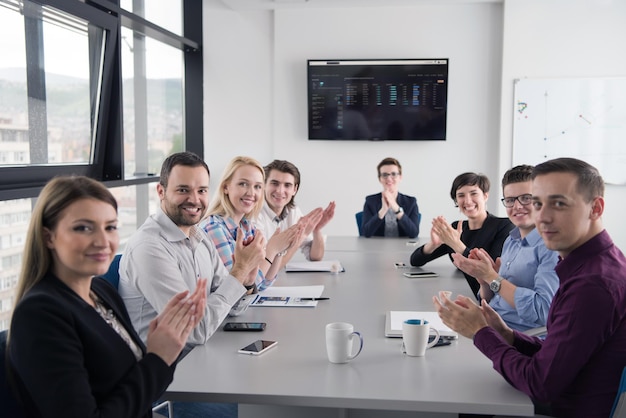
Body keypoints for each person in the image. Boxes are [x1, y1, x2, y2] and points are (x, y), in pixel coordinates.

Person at [434, 158, 626, 417]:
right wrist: (506, 335)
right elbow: (556, 352)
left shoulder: (593, 284)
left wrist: (481, 332)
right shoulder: (585, 264)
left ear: (595, 208)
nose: (542, 216)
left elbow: (541, 383)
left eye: (558, 203)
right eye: (537, 202)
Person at [8, 175, 206, 418]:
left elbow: (133, 385)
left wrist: (167, 347)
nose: (103, 241)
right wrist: (158, 358)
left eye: (110, 227)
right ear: (49, 236)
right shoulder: (40, 314)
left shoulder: (101, 292)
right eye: (83, 228)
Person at [119, 152, 265, 348]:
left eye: (202, 191)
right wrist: (239, 272)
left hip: (201, 353)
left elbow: (230, 307)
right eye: (183, 190)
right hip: (168, 368)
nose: (195, 200)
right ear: (161, 192)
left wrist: (246, 282)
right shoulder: (148, 248)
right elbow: (194, 330)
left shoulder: (198, 237)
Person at [450, 165, 559, 332]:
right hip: (490, 322)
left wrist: (492, 277)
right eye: (510, 200)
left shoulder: (551, 247)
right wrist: (485, 282)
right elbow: (496, 296)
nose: (517, 206)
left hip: (518, 337)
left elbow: (543, 312)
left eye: (526, 198)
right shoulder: (511, 240)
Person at [410, 172, 514, 296]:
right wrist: (433, 244)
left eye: (474, 193)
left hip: (489, 297)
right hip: (463, 294)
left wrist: (457, 244)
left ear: (485, 196)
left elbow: (488, 272)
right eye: (461, 195)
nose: (468, 201)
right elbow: (415, 261)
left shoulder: (504, 226)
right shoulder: (456, 227)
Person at [203, 156, 298, 290]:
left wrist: (279, 252)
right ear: (226, 187)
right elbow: (237, 289)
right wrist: (272, 249)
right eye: (243, 184)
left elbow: (262, 283)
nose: (251, 193)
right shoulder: (214, 228)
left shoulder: (247, 227)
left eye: (257, 186)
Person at [255, 159, 336, 268]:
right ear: (264, 184)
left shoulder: (293, 211)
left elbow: (315, 257)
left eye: (287, 185)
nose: (280, 190)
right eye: (275, 183)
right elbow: (267, 267)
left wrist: (316, 230)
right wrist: (302, 235)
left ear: (294, 189)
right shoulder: (254, 215)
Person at [362, 157, 420, 238]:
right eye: (385, 175)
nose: (389, 178)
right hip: (376, 249)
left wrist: (396, 209)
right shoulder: (370, 201)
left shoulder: (411, 202)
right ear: (380, 179)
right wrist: (383, 211)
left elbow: (414, 233)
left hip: (403, 249)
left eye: (393, 174)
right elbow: (366, 233)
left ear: (400, 177)